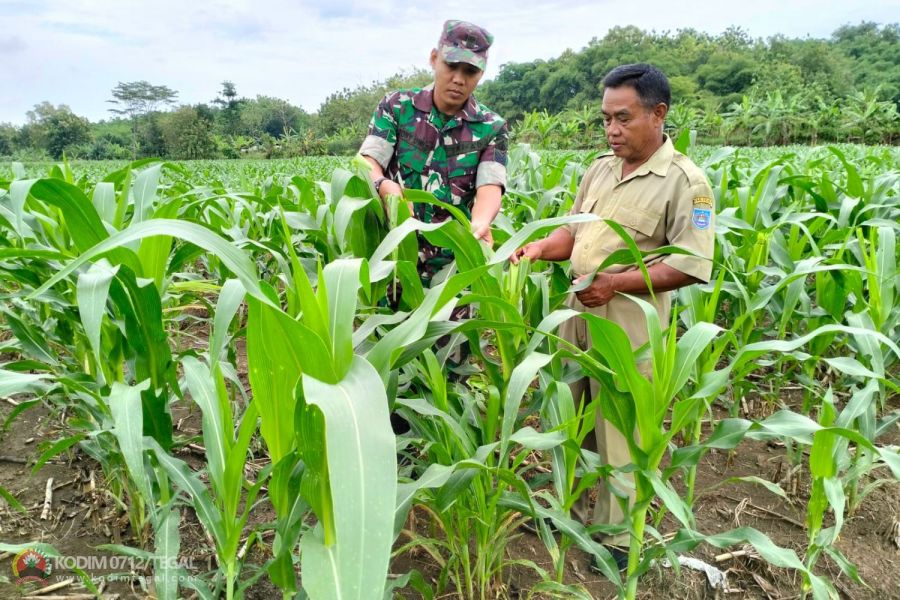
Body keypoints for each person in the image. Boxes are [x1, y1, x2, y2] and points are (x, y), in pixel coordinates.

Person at [510, 63, 715, 570]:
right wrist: (540, 248)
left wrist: (616, 284)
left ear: (658, 114)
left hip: (628, 323)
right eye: (605, 119)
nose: (612, 130)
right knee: (571, 413)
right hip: (577, 309)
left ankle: (618, 538)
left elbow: (691, 265)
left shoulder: (685, 182)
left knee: (620, 430)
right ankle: (569, 508)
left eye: (623, 118)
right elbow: (574, 233)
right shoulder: (600, 168)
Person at [359, 19, 508, 287]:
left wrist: (481, 222)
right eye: (451, 65)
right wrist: (383, 185)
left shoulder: (491, 127)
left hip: (451, 274)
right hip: (392, 264)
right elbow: (367, 161)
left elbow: (490, 185)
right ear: (434, 58)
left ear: (481, 73)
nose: (459, 79)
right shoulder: (396, 107)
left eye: (470, 71)